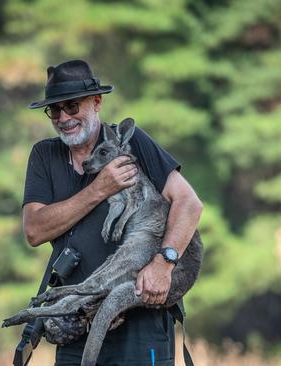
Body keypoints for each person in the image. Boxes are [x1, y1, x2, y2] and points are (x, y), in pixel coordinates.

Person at [23, 59, 203, 366]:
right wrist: (99, 188)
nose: (64, 117)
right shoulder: (45, 155)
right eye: (55, 110)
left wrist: (164, 263)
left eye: (72, 106)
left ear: (96, 102)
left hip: (141, 319)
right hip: (77, 322)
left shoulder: (132, 142)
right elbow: (34, 230)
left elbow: (189, 203)